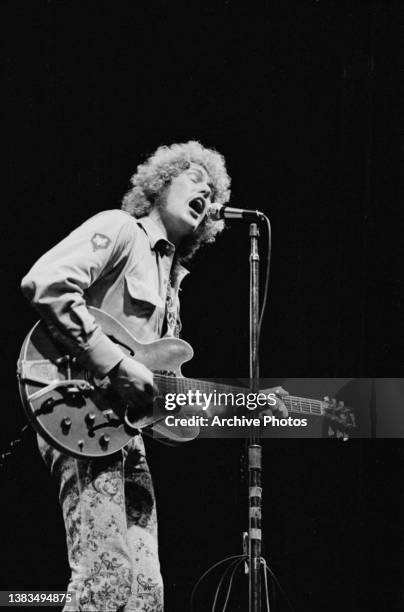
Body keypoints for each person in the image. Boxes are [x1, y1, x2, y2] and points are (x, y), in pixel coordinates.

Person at [21, 141, 286, 612]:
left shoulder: (173, 288)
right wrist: (115, 363)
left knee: (146, 593)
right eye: (193, 178)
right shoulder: (120, 228)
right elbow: (47, 281)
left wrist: (248, 404)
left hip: (124, 435)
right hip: (78, 408)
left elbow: (161, 392)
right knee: (106, 581)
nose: (206, 191)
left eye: (212, 190)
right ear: (160, 183)